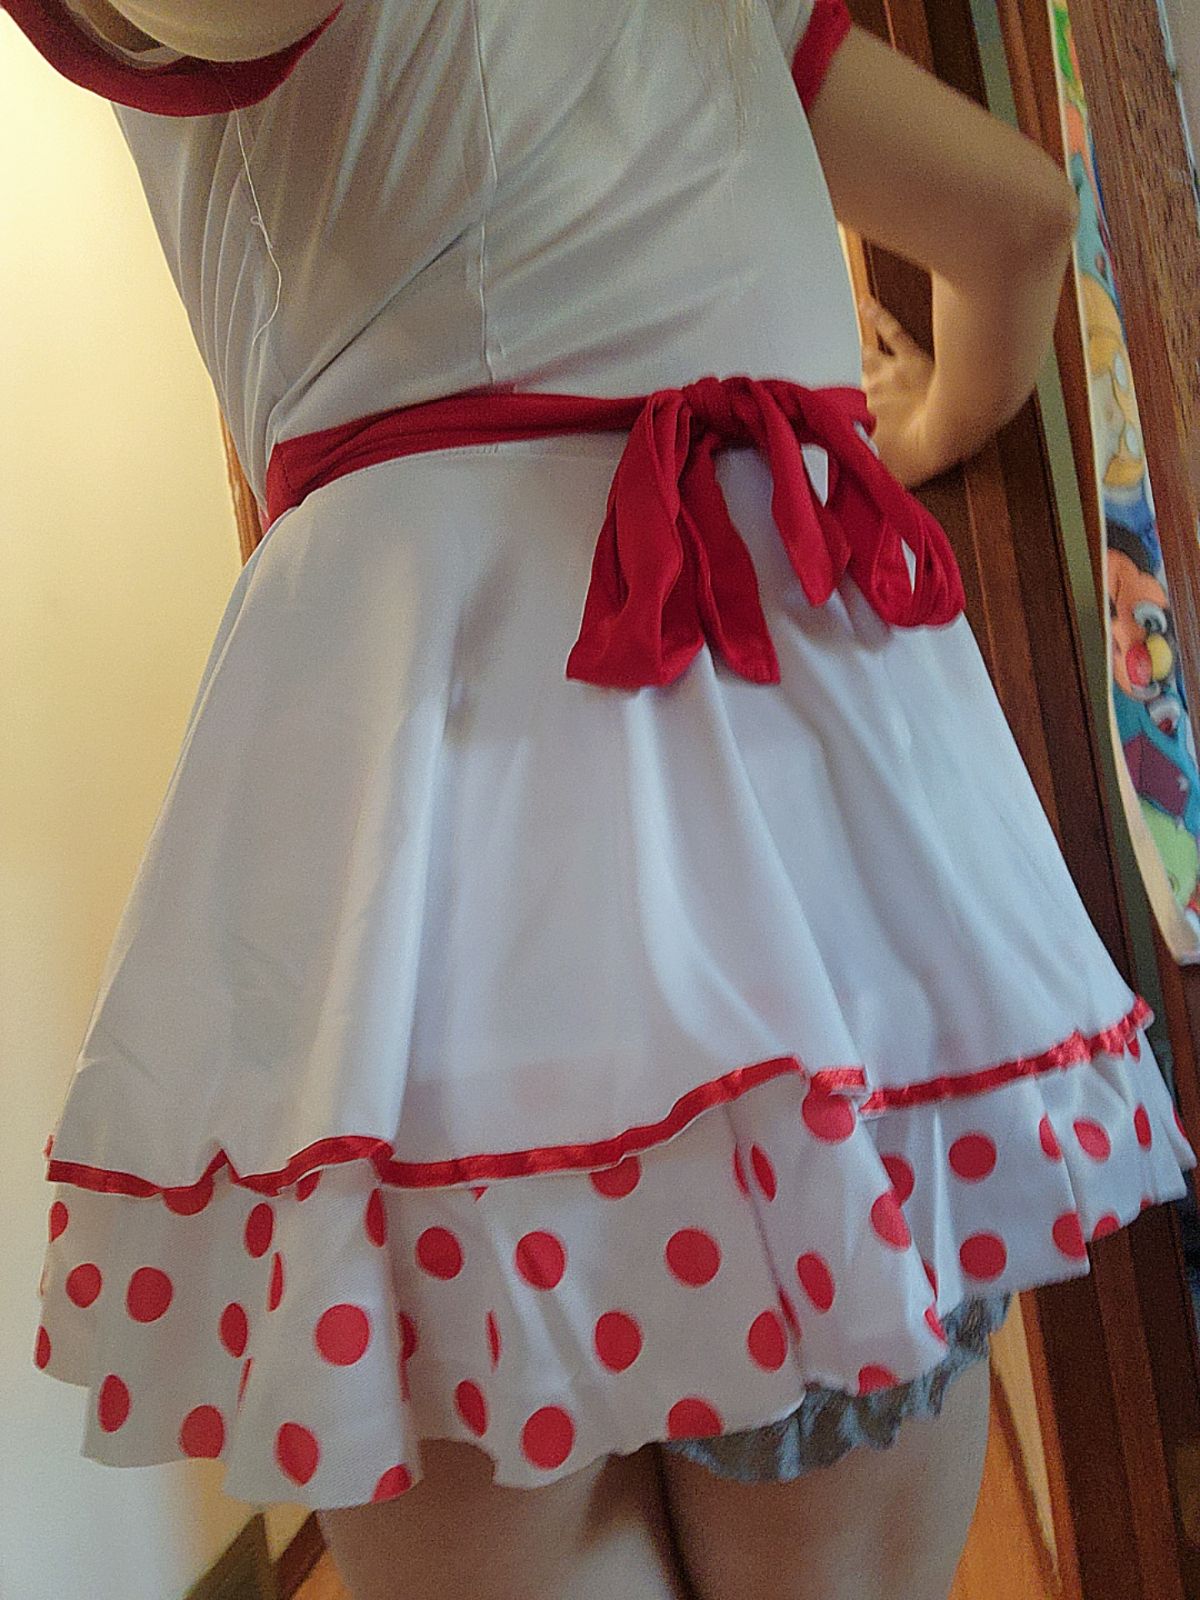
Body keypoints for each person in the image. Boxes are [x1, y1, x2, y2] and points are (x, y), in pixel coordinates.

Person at [12, 0, 1197, 1595]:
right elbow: (1018, 221)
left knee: (506, 1531)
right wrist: (915, 422)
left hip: (445, 801)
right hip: (806, 808)